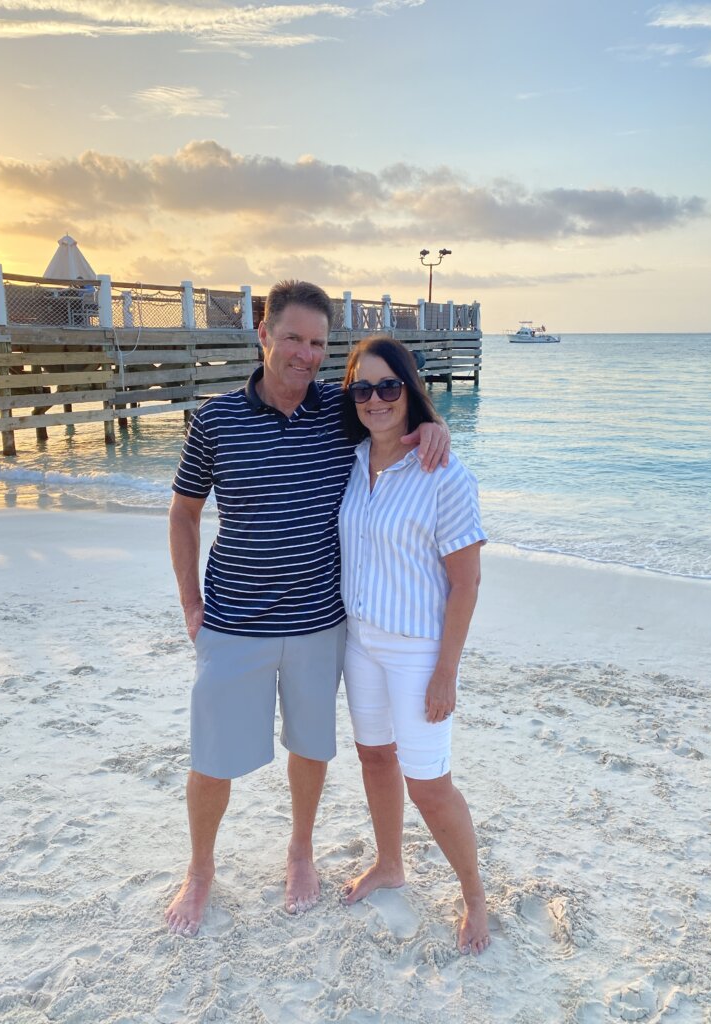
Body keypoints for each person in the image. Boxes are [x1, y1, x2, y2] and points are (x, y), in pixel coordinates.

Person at [165, 281, 450, 937]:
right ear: (263, 334)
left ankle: (300, 850)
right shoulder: (215, 419)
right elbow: (183, 512)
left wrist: (436, 430)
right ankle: (201, 869)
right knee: (211, 759)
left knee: (311, 749)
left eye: (318, 342)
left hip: (322, 624)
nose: (305, 353)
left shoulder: (339, 408)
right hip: (233, 622)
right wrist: (190, 602)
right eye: (292, 337)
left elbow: (395, 417)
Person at [338, 335, 491, 956]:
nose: (375, 399)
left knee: (428, 782)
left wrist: (445, 672)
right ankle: (390, 864)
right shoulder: (347, 459)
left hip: (417, 650)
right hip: (359, 641)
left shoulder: (443, 472)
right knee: (374, 757)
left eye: (389, 386)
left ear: (410, 390)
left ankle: (475, 893)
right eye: (363, 388)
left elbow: (466, 581)